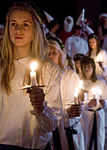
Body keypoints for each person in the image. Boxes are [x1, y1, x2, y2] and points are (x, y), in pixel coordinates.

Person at [0, 2, 63, 150]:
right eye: (13, 24)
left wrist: (41, 108)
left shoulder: (48, 69)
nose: (18, 29)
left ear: (35, 29)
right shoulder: (2, 68)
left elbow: (52, 124)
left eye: (25, 25)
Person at [46, 36, 85, 150]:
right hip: (49, 124)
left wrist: (75, 109)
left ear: (60, 54)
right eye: (48, 53)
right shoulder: (41, 76)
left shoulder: (70, 75)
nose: (51, 56)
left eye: (54, 53)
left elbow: (80, 101)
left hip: (69, 123)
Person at [80, 56, 107, 150]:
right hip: (86, 116)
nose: (86, 69)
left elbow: (105, 98)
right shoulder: (80, 83)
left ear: (93, 67)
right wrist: (87, 104)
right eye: (84, 67)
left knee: (99, 140)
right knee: (86, 141)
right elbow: (77, 102)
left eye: (88, 66)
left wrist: (104, 103)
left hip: (99, 115)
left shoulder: (101, 81)